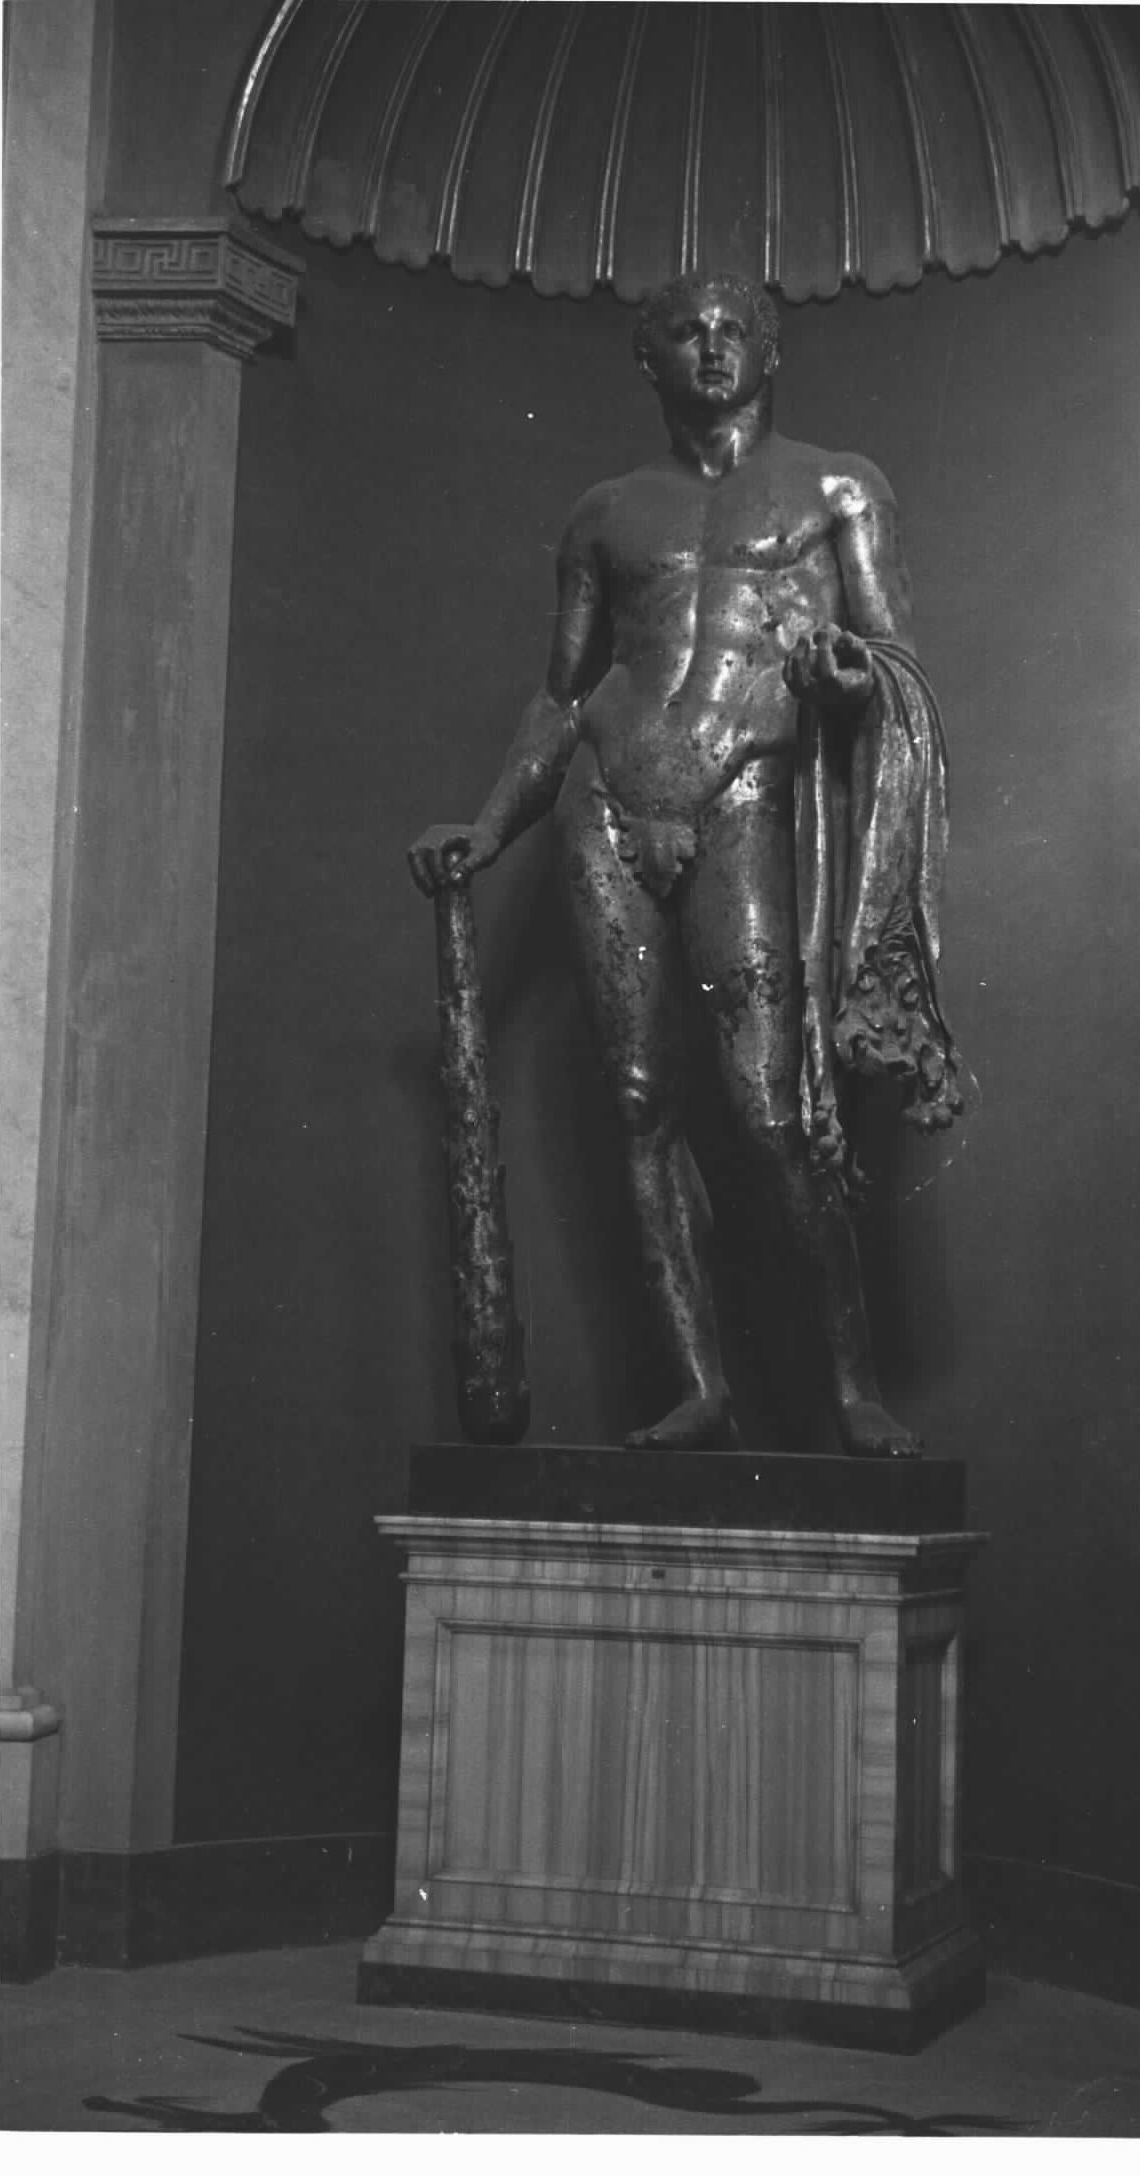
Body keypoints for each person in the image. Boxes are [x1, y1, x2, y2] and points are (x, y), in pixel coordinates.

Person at [409, 271, 961, 1455]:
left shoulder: (837, 486)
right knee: (637, 1099)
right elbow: (561, 697)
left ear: (771, 350)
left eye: (732, 330)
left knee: (767, 1109)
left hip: (744, 791)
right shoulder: (606, 514)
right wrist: (490, 826)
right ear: (647, 357)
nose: (712, 349)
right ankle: (700, 1386)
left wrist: (846, 679)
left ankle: (851, 1386)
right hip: (608, 803)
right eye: (686, 332)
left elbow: (893, 660)